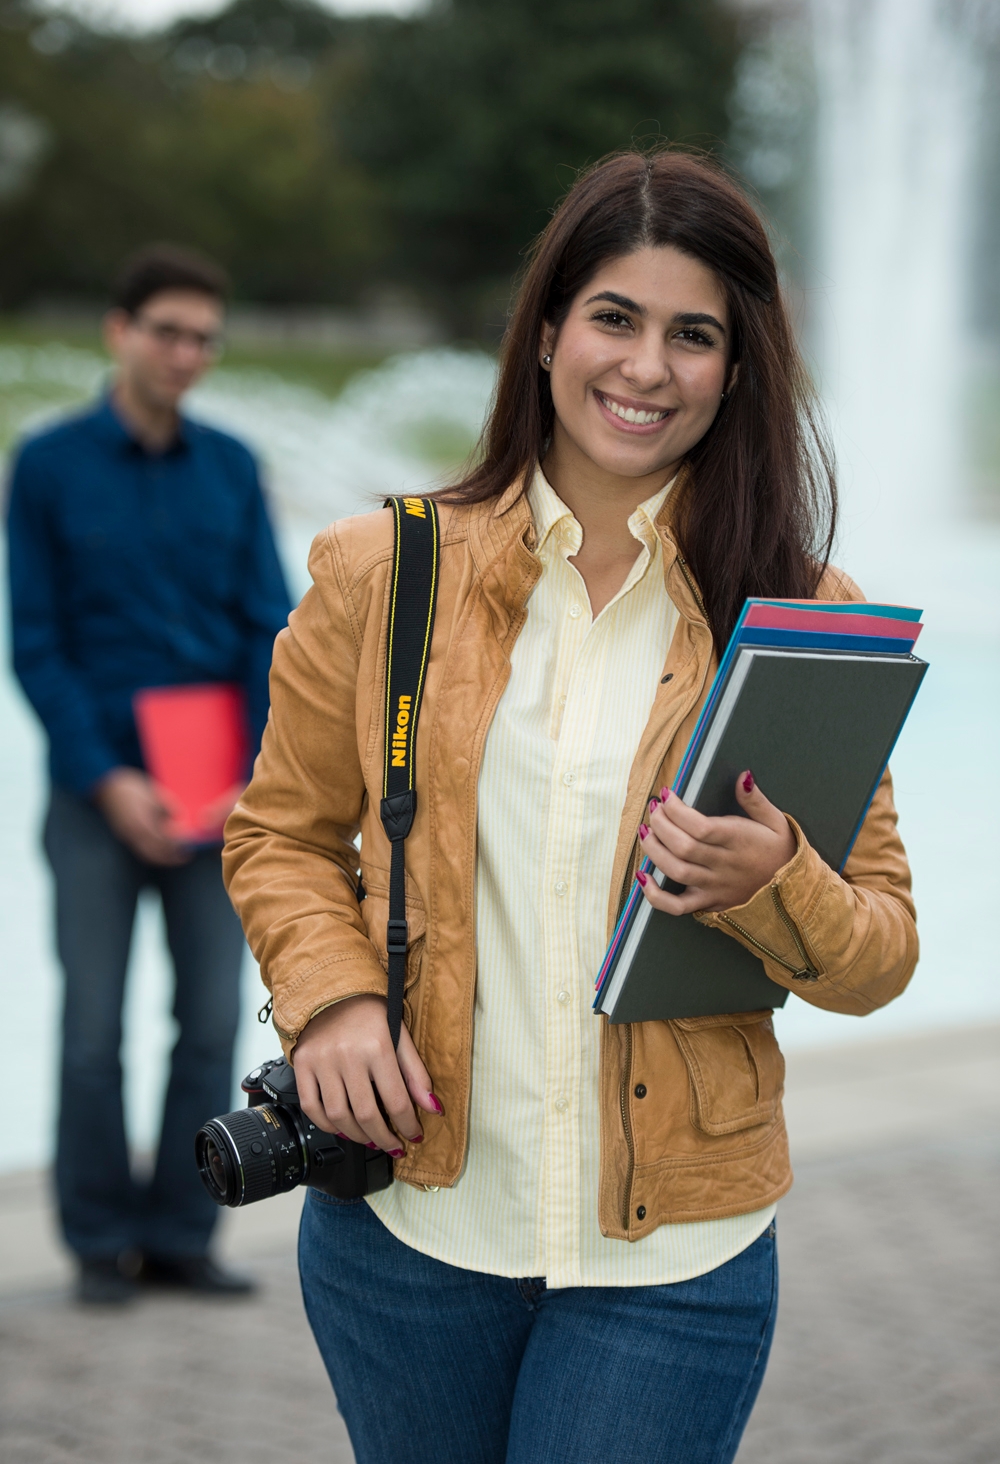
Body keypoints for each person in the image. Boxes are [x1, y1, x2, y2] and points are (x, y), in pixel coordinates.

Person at [223, 152, 918, 1463]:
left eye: (693, 334)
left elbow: (881, 953)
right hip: (409, 1228)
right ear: (547, 331)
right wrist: (331, 999)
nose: (647, 368)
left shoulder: (808, 621)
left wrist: (778, 879)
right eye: (615, 317)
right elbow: (281, 832)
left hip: (674, 1258)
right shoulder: (383, 570)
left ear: (738, 365)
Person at [7, 245, 292, 1305]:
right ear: (118, 331)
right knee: (91, 1027)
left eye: (204, 337)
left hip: (217, 790)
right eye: (167, 330)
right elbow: (35, 643)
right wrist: (106, 777)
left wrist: (250, 776)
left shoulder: (230, 465)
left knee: (211, 1019)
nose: (186, 352)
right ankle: (95, 1242)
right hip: (98, 792)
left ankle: (181, 1233)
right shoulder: (47, 465)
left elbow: (268, 627)